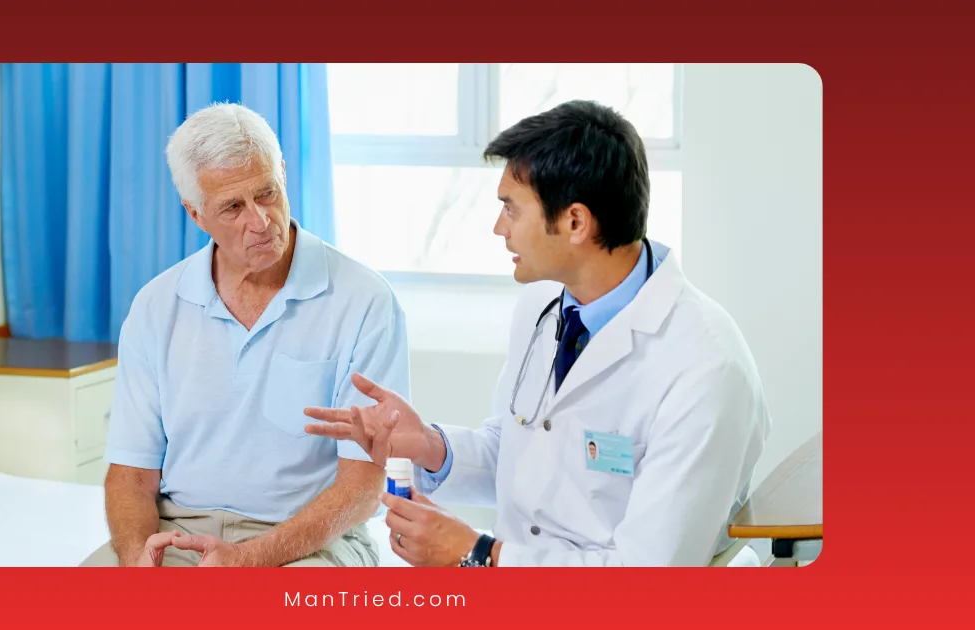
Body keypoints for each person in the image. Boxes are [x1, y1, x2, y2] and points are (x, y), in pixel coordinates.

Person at [305, 100, 771, 567]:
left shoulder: (705, 367)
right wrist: (429, 446)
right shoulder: (543, 308)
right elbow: (520, 453)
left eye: (511, 209)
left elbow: (650, 571)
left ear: (574, 222)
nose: (497, 228)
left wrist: (478, 553)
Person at [81, 103, 409, 567]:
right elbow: (131, 476)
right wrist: (138, 559)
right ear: (195, 214)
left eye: (267, 193)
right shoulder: (156, 306)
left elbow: (362, 486)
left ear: (283, 175)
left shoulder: (364, 299)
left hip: (309, 541)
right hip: (179, 530)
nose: (260, 221)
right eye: (233, 207)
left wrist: (250, 559)